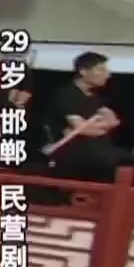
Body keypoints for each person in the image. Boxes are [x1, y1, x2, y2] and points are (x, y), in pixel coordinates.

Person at [46, 51, 122, 181]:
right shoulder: (67, 94)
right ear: (83, 71)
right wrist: (103, 126)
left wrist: (100, 126)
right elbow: (83, 129)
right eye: (101, 70)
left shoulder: (97, 98)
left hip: (100, 151)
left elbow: (114, 121)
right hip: (76, 155)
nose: (107, 75)